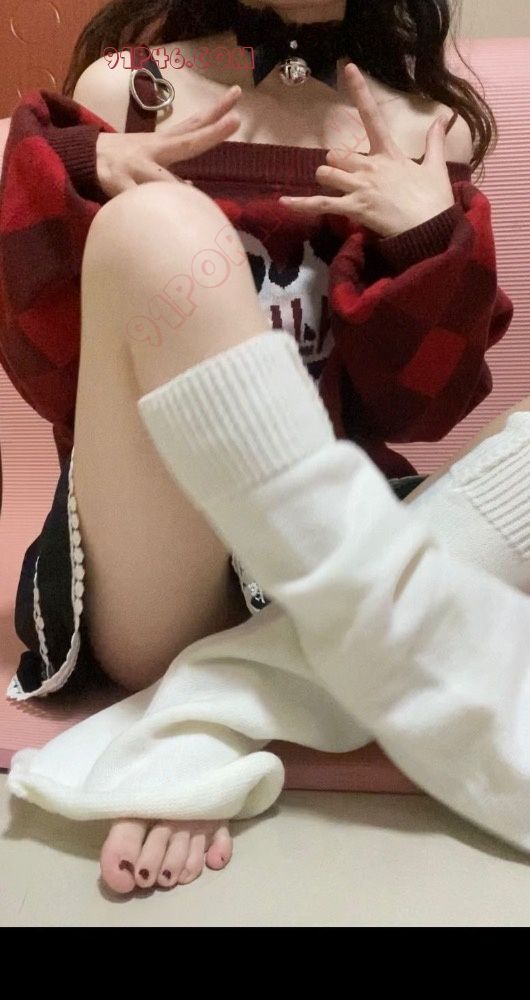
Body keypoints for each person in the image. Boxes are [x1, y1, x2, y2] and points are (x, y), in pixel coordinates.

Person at [1, 0, 517, 893]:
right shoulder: (134, 89)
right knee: (161, 231)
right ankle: (286, 678)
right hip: (160, 568)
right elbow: (54, 376)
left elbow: (421, 411)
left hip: (322, 570)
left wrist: (427, 238)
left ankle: (217, 711)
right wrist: (82, 175)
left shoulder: (418, 125)